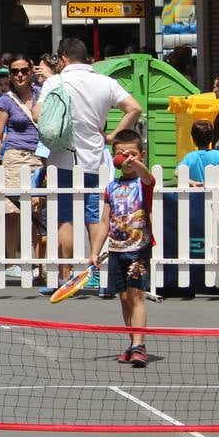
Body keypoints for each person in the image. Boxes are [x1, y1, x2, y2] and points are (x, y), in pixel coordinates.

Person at [35, 37, 142, 295]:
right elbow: (134, 108)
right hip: (95, 158)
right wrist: (114, 137)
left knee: (65, 217)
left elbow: (37, 114)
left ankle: (66, 276)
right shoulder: (106, 82)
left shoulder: (55, 82)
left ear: (62, 58)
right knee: (96, 216)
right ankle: (96, 275)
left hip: (62, 156)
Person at [88, 129, 155, 367]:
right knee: (124, 298)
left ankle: (139, 344)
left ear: (141, 155)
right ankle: (133, 342)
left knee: (136, 296)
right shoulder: (111, 188)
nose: (126, 158)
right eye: (121, 154)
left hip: (138, 248)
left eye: (133, 154)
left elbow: (148, 177)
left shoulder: (143, 182)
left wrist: (136, 164)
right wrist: (95, 250)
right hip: (116, 250)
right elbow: (105, 221)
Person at [0, 58, 43, 274]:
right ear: (11, 75)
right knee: (12, 211)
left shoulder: (43, 93)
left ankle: (37, 262)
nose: (20, 74)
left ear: (31, 71)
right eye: (15, 71)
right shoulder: (6, 100)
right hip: (15, 157)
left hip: (40, 156)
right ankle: (10, 261)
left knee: (37, 211)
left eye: (24, 70)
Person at [179, 119, 219, 187]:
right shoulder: (218, 155)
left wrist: (192, 182)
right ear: (212, 138)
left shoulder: (189, 157)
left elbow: (177, 172)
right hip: (215, 196)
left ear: (193, 139)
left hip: (194, 196)